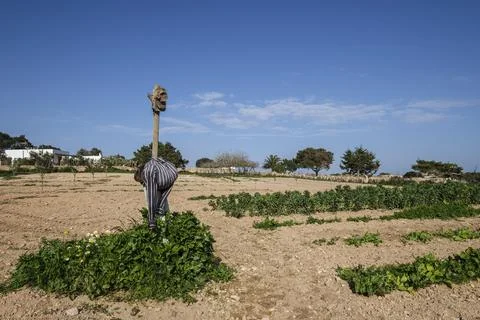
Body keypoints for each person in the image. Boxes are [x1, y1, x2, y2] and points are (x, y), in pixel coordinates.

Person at [134, 157, 178, 231]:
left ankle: (162, 232)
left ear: (142, 176)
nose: (142, 184)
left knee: (158, 211)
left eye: (141, 182)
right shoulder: (172, 173)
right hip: (170, 172)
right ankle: (168, 229)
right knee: (163, 209)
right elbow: (167, 190)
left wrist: (151, 221)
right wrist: (161, 203)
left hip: (163, 176)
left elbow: (151, 198)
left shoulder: (149, 174)